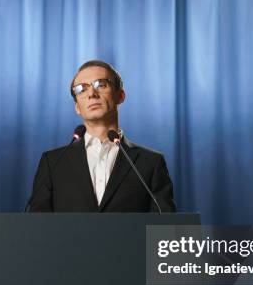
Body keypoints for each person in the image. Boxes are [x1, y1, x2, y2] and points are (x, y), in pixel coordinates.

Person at [28, 60, 176, 212]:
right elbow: (36, 228)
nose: (92, 94)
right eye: (82, 89)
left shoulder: (151, 163)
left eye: (101, 84)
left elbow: (165, 231)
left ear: (120, 95)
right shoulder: (52, 163)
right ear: (77, 107)